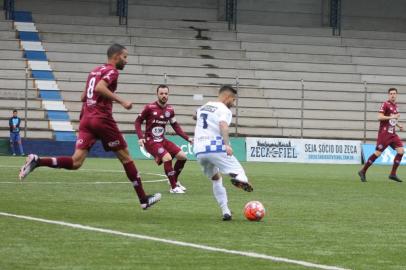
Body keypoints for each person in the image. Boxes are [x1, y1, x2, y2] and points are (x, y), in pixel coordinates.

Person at [19, 43, 161, 209]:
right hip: (101, 119)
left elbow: (83, 96)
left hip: (86, 119)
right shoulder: (112, 71)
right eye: (125, 57)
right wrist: (122, 101)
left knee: (76, 162)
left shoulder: (94, 71)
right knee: (126, 157)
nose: (126, 61)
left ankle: (38, 161)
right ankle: (144, 200)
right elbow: (100, 87)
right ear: (116, 57)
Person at [193, 85, 253, 221]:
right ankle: (239, 179)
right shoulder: (224, 110)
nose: (234, 103)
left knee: (216, 178)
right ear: (227, 97)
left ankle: (226, 211)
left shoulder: (206, 105)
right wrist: (226, 145)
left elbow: (195, 116)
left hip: (199, 150)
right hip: (215, 147)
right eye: (233, 99)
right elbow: (223, 126)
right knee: (240, 171)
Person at [135, 85, 192, 194]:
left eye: (166, 93)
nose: (164, 95)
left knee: (183, 157)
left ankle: (174, 180)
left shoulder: (170, 110)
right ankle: (174, 187)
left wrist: (188, 138)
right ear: (157, 94)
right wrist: (140, 137)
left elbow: (175, 126)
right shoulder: (149, 108)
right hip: (150, 141)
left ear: (168, 94)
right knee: (167, 158)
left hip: (162, 140)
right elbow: (137, 122)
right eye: (161, 93)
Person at [358, 87, 404, 182]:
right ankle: (363, 170)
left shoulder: (395, 106)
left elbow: (393, 119)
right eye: (391, 93)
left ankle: (393, 174)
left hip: (393, 134)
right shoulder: (385, 104)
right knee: (378, 153)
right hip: (384, 134)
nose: (393, 95)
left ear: (396, 95)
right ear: (388, 95)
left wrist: (399, 126)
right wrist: (394, 116)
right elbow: (379, 117)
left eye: (394, 93)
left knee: (401, 151)